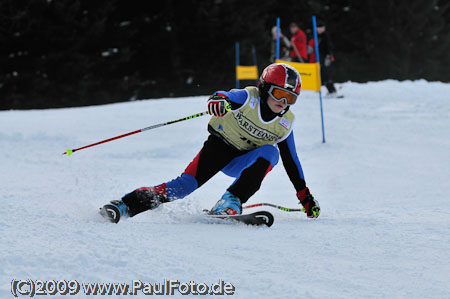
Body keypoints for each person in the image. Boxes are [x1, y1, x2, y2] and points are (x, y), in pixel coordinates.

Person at [100, 63, 320, 223]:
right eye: (279, 94)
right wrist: (219, 101)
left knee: (272, 153)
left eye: (290, 99)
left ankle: (231, 200)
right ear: (264, 88)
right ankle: (125, 205)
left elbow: (292, 160)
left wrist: (304, 195)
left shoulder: (284, 123)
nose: (282, 103)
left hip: (244, 161)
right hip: (218, 149)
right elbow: (225, 95)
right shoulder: (248, 97)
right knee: (182, 187)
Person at [308, 22, 337, 96]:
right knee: (322, 75)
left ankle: (332, 90)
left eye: (321, 28)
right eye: (318, 28)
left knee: (326, 74)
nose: (320, 30)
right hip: (320, 57)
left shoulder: (326, 36)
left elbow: (329, 47)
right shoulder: (316, 36)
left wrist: (328, 56)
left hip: (325, 57)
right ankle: (330, 90)